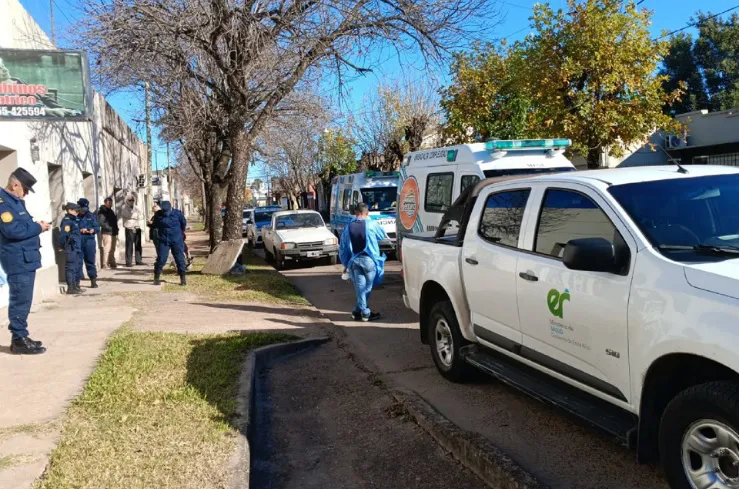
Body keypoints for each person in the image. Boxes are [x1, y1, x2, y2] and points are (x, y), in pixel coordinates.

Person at [0, 168, 51, 355]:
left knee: (24, 299)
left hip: (25, 258)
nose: (27, 193)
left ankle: (21, 336)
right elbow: (13, 231)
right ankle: (18, 339)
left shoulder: (15, 202)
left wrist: (37, 226)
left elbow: (23, 226)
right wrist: (38, 228)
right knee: (20, 299)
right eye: (26, 189)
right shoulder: (3, 204)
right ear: (15, 185)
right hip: (17, 259)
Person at [339, 203, 388, 322]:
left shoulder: (348, 227)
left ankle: (357, 311)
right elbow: (382, 235)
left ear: (355, 212)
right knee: (367, 288)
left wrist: (345, 263)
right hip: (369, 260)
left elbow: (343, 247)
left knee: (360, 288)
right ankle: (365, 313)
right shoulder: (372, 224)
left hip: (355, 261)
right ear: (367, 212)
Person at [152, 201, 187, 286]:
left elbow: (183, 224)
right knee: (161, 259)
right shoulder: (158, 215)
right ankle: (156, 277)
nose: (165, 213)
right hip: (163, 240)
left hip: (176, 239)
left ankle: (183, 278)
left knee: (179, 259)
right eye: (164, 211)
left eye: (167, 211)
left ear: (171, 208)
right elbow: (155, 225)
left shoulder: (177, 214)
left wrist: (179, 233)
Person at [59, 203, 83, 295]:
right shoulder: (67, 221)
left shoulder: (74, 220)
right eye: (76, 210)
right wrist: (62, 246)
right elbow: (63, 236)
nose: (77, 212)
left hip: (76, 247)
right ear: (69, 210)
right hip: (70, 247)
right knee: (70, 268)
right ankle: (70, 288)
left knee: (75, 267)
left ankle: (74, 286)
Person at [76, 198, 100, 288]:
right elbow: (72, 228)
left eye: (85, 209)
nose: (84, 211)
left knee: (90, 262)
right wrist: (80, 230)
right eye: (82, 209)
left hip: (89, 241)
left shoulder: (91, 216)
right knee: (78, 263)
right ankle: (77, 283)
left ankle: (93, 280)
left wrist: (93, 230)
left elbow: (97, 227)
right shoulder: (75, 216)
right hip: (79, 241)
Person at [120, 195, 143, 266]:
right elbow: (129, 215)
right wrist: (136, 215)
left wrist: (136, 215)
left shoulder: (137, 207)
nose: (131, 201)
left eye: (133, 200)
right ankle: (128, 262)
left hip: (137, 227)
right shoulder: (124, 208)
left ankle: (138, 260)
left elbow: (141, 216)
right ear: (126, 200)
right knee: (129, 245)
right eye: (130, 200)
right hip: (129, 228)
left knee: (138, 245)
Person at [97, 197, 119, 269]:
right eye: (109, 202)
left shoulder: (111, 211)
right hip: (107, 232)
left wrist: (116, 229)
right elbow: (101, 222)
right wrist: (109, 228)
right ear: (105, 203)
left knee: (113, 248)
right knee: (107, 248)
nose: (110, 204)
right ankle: (105, 264)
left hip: (113, 232)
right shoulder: (102, 211)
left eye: (111, 202)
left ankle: (112, 262)